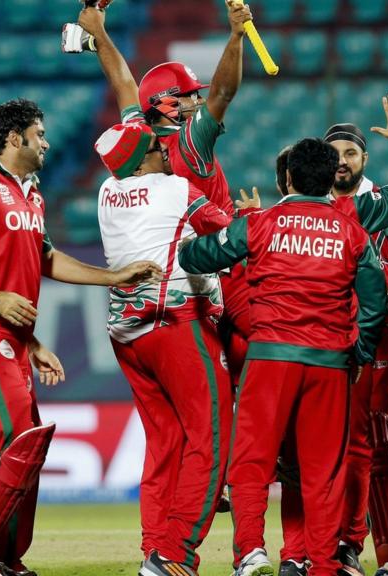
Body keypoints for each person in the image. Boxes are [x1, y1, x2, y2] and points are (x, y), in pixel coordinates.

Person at [0, 99, 162, 576]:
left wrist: (114, 277)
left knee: (11, 447)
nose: (46, 142)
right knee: (20, 438)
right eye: (39, 133)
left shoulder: (31, 195)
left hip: (11, 337)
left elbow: (45, 259)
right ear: (15, 139)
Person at [180, 138, 388, 576]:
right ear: (332, 178)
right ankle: (324, 565)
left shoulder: (262, 223)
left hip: (271, 357)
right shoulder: (353, 233)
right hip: (330, 363)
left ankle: (251, 552)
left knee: (252, 459)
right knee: (323, 469)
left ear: (289, 177)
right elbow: (374, 303)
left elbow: (197, 255)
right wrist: (360, 352)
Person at [94, 120, 257, 575]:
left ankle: (153, 548)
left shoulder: (107, 193)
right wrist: (251, 220)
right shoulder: (175, 188)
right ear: (140, 163)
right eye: (153, 147)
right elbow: (229, 236)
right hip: (177, 325)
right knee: (212, 441)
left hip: (127, 334)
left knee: (165, 443)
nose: (164, 150)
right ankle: (175, 553)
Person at [76, 0, 256, 379]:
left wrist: (99, 33)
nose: (197, 101)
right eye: (189, 95)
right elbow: (223, 94)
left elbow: (124, 83)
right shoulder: (189, 142)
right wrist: (236, 36)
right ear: (168, 103)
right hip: (224, 273)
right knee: (266, 364)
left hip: (170, 284)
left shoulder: (136, 140)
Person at [322, 120, 388, 576]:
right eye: (335, 154)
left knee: (379, 439)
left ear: (364, 160)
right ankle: (330, 544)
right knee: (332, 443)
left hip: (380, 331)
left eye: (350, 153)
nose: (341, 161)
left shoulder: (382, 201)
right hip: (326, 333)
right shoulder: (313, 199)